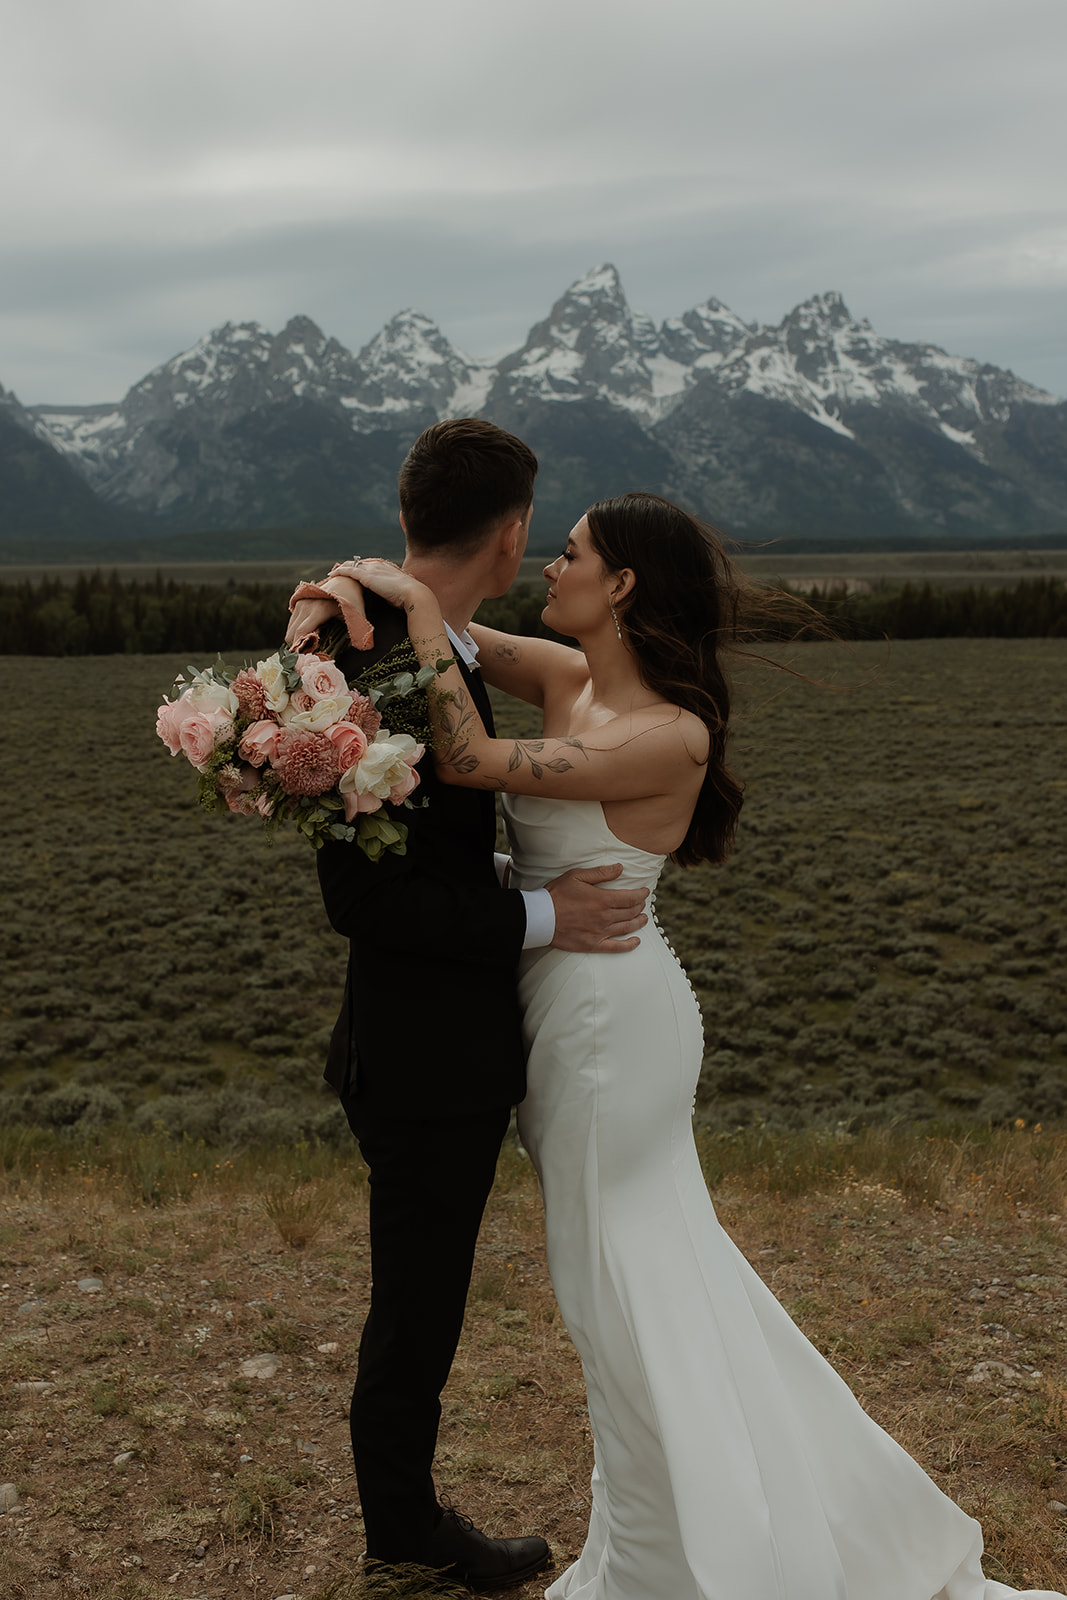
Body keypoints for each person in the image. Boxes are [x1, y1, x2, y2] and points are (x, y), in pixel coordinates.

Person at [352, 492, 1065, 1600]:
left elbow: (467, 757)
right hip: (561, 1010)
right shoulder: (567, 676)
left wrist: (404, 601)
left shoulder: (666, 731)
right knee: (628, 1282)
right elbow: (451, 632)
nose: (551, 561)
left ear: (622, 583)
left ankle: (695, 1562)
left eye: (575, 552)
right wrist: (372, 588)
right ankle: (670, 1538)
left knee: (621, 1283)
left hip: (607, 1029)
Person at [314, 420, 650, 1590]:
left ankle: (403, 1515)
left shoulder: (420, 644)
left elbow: (438, 851)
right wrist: (547, 915)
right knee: (416, 1309)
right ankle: (403, 1531)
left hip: (445, 1045)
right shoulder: (384, 665)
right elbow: (367, 901)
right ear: (509, 535)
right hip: (418, 1057)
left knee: (426, 1299)